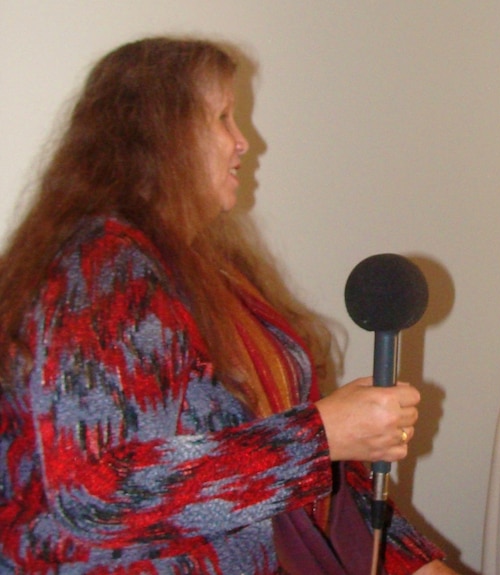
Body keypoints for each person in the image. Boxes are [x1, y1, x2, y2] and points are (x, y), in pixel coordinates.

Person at [0, 37, 458, 575]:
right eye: (221, 118)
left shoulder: (208, 271)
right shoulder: (101, 264)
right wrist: (322, 434)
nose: (244, 143)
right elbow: (96, 492)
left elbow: (298, 463)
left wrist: (416, 564)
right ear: (158, 135)